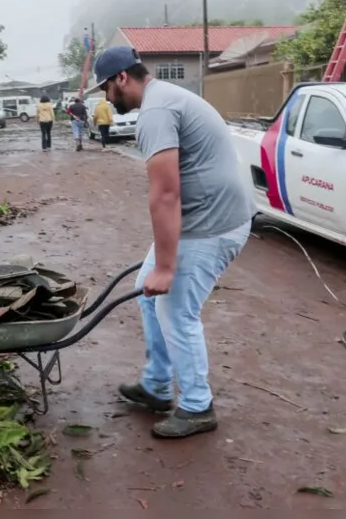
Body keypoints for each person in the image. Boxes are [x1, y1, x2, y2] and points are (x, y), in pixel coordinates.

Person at [93, 45, 255, 439]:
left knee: (176, 313)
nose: (105, 99)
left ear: (121, 78)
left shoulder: (156, 112)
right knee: (144, 292)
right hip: (203, 218)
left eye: (105, 89)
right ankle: (157, 385)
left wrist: (167, 268)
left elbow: (165, 194)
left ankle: (198, 406)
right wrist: (160, 267)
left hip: (211, 225)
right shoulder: (164, 98)